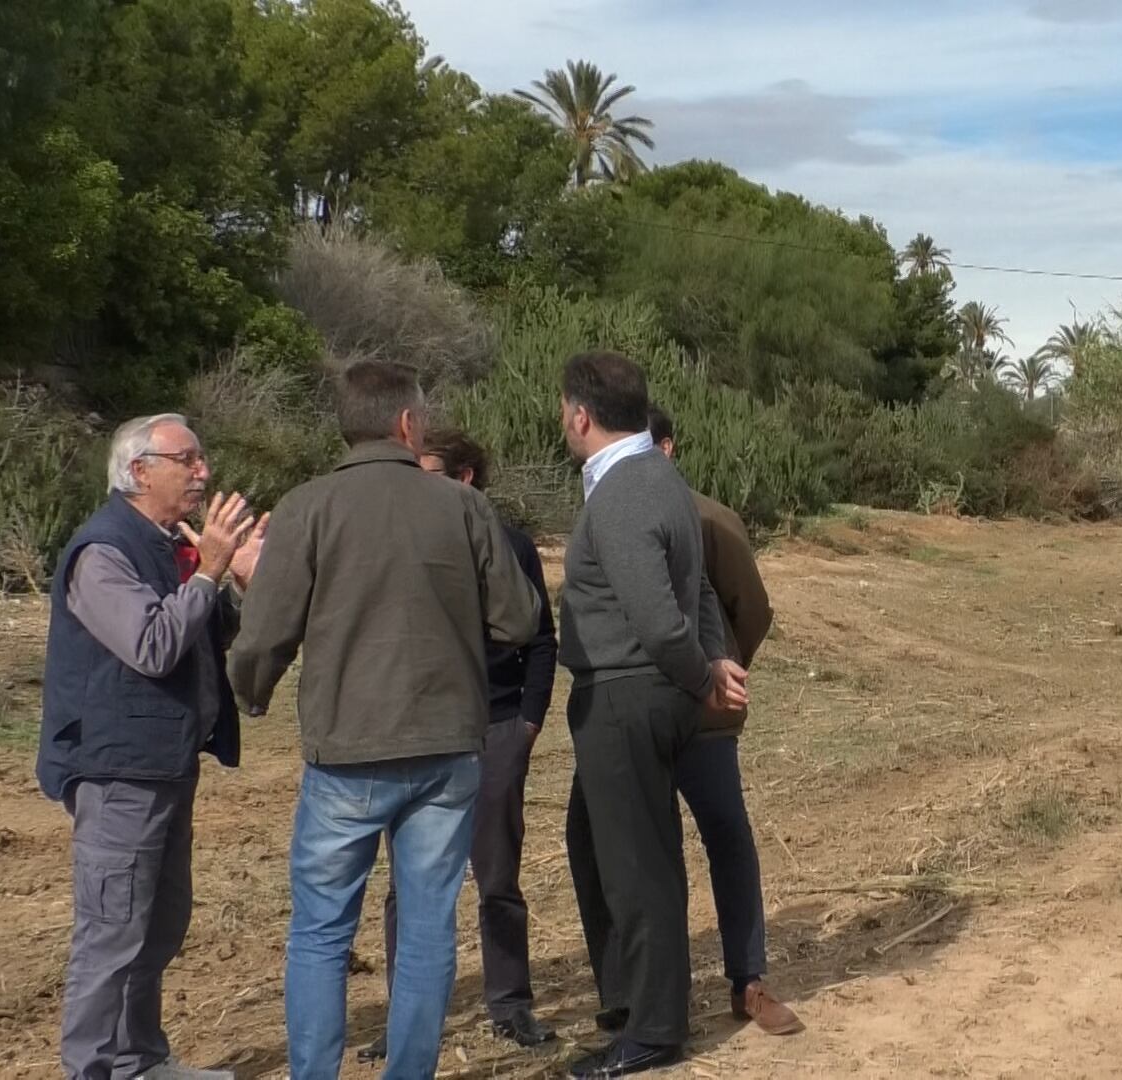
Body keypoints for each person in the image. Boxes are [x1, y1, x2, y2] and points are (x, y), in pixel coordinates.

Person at [229, 362, 540, 1080]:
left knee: (320, 933)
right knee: (429, 931)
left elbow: (265, 634)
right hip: (447, 748)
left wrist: (251, 691)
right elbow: (520, 618)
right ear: (407, 424)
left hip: (346, 751)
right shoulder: (462, 509)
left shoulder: (307, 507)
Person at [39, 415, 264, 1080]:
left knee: (158, 924)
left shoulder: (168, 546)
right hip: (117, 771)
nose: (203, 473)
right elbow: (152, 644)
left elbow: (207, 633)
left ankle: (140, 1060)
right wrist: (211, 571)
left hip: (163, 764)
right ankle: (95, 1068)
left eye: (202, 458)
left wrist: (245, 578)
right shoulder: (102, 550)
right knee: (111, 933)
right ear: (140, 472)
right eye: (187, 460)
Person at [556, 352, 749, 1078]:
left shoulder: (625, 491)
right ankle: (633, 1000)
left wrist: (703, 674)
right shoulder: (659, 477)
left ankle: (654, 1031)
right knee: (601, 843)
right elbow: (696, 585)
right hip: (643, 692)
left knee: (636, 868)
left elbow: (659, 620)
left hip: (628, 695)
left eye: (562, 410)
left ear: (581, 414)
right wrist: (711, 660)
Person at [359, 431, 560, 1063]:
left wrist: (528, 722)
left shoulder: (513, 546)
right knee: (408, 883)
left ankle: (509, 1003)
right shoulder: (403, 545)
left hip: (496, 727)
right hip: (422, 732)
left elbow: (542, 639)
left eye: (429, 473)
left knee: (497, 875)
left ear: (466, 477)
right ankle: (407, 1015)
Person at [644, 405, 801, 1037]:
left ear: (668, 448)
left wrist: (725, 671)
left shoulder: (711, 519)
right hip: (638, 716)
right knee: (648, 852)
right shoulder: (606, 515)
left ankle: (749, 980)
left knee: (727, 838)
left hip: (704, 719)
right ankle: (654, 993)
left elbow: (753, 609)